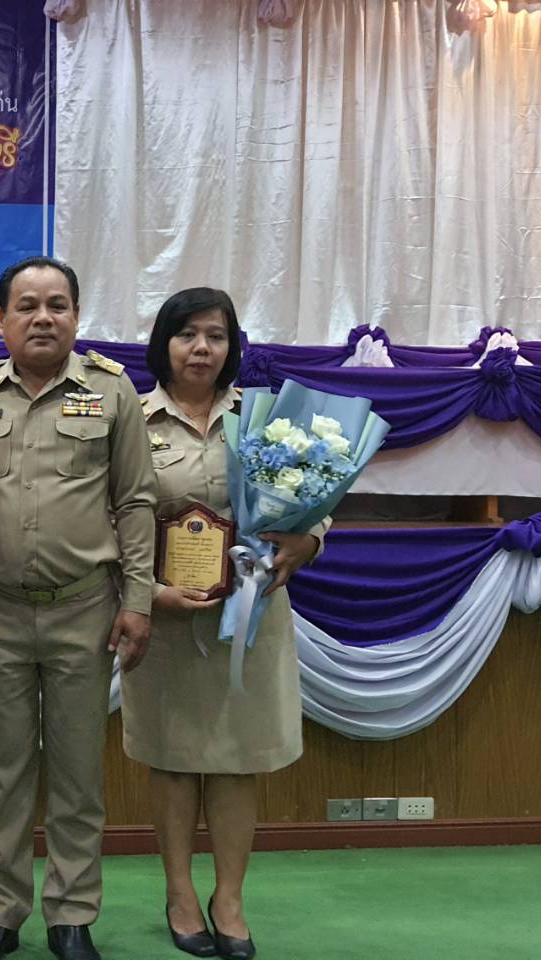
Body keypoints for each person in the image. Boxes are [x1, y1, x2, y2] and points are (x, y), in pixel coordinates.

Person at [0, 256, 157, 960]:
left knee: (78, 770)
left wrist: (140, 600)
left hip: (85, 609)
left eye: (57, 305)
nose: (43, 317)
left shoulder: (112, 392)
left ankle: (71, 916)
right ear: (1, 320)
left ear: (76, 317)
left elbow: (135, 501)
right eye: (26, 306)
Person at [120, 287, 327, 960]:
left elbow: (312, 496)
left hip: (251, 616)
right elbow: (108, 517)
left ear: (232, 346)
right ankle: (180, 895)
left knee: (239, 765)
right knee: (175, 764)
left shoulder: (263, 419)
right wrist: (148, 593)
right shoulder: (132, 419)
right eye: (186, 334)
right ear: (164, 344)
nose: (200, 348)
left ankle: (229, 900)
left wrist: (309, 541)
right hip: (167, 623)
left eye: (214, 335)